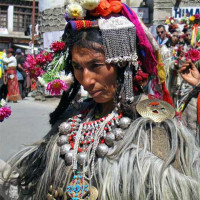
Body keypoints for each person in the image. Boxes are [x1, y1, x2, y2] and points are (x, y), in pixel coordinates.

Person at [1, 2, 200, 200]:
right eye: (77, 67)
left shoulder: (152, 125)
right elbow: (27, 184)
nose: (86, 80)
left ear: (122, 62)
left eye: (96, 65)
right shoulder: (71, 120)